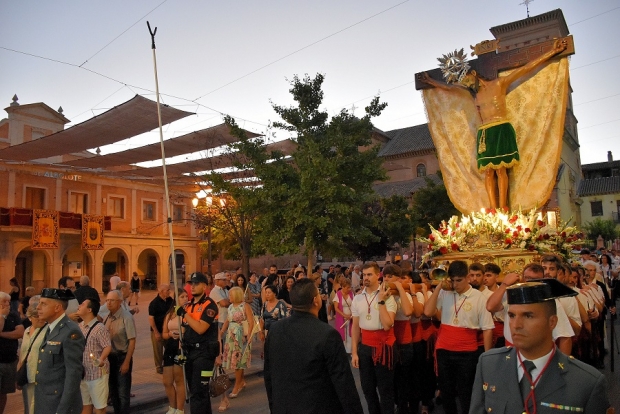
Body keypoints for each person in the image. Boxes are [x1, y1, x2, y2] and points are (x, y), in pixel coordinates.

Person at [420, 39, 568, 209]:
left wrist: (552, 52)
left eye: (466, 80)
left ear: (473, 74)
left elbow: (525, 68)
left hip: (500, 128)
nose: (466, 84)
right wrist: (431, 82)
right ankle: (492, 207)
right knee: (488, 172)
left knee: (501, 170)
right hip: (485, 134)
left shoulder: (499, 84)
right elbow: (449, 88)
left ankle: (503, 206)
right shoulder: (473, 94)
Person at [469, 279, 611, 413]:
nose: (516, 325)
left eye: (528, 316)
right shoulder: (489, 364)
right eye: (511, 315)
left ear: (552, 322)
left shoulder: (585, 381)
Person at [264, 278, 364, 414]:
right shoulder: (328, 335)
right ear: (316, 301)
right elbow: (343, 383)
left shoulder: (275, 330)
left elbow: (269, 375)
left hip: (284, 406)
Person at [423, 260, 494, 414]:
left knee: (465, 392)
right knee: (446, 392)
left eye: (459, 280)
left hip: (467, 352)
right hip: (444, 349)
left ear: (468, 277)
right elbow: (428, 312)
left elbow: (488, 328)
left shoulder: (479, 297)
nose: (455, 285)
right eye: (452, 280)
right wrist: (438, 289)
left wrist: (487, 357)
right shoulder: (445, 292)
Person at [351, 262, 398, 414]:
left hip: (384, 346)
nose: (366, 278)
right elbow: (355, 327)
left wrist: (381, 300)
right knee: (368, 390)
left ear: (378, 275)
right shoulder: (357, 299)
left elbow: (387, 325)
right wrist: (354, 352)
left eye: (370, 274)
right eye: (364, 275)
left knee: (385, 391)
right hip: (365, 347)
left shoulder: (388, 296)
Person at [34, 288, 85, 414]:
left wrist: (63, 410)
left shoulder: (70, 331)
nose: (38, 307)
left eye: (43, 304)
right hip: (45, 402)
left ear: (57, 308)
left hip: (58, 404)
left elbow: (73, 374)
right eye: (39, 303)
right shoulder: (50, 327)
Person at [176, 272, 220, 414]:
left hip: (205, 354)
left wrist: (185, 314)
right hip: (190, 353)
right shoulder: (188, 306)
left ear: (205, 286)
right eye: (191, 284)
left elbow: (201, 328)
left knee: (198, 392)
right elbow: (184, 329)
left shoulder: (210, 306)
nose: (192, 286)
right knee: (197, 391)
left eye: (196, 283)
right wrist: (180, 349)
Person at [104, 289, 137, 414]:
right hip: (110, 358)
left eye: (112, 300)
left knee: (123, 393)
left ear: (120, 302)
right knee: (113, 392)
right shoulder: (108, 316)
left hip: (122, 357)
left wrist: (127, 362)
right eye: (107, 300)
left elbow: (132, 341)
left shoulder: (126, 317)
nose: (109, 303)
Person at [77, 298, 112, 414]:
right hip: (84, 373)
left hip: (97, 373)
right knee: (85, 405)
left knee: (99, 407)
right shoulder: (80, 326)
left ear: (89, 309)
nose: (79, 306)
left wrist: (101, 359)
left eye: (82, 304)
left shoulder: (99, 328)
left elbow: (107, 346)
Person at [221, 286, 254, 401]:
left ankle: (237, 385)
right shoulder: (230, 306)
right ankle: (241, 381)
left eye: (230, 295)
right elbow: (227, 320)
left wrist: (249, 334)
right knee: (236, 360)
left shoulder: (245, 306)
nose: (229, 297)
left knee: (238, 361)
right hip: (231, 334)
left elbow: (251, 321)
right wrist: (221, 331)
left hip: (240, 335)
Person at [162, 289, 189, 414]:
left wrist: (182, 334)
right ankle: (172, 407)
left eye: (186, 296)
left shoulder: (187, 312)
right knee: (167, 381)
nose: (185, 298)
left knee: (179, 379)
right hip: (170, 346)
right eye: (182, 297)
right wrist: (169, 334)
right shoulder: (170, 313)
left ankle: (180, 408)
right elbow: (164, 333)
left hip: (181, 346)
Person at [17, 299, 45, 414]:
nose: (39, 318)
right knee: (28, 407)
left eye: (40, 315)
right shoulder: (27, 331)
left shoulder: (47, 331)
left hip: (39, 376)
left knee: (38, 408)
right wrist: (18, 374)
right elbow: (22, 354)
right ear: (29, 317)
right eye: (35, 316)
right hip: (26, 375)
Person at [0, 291, 25, 413]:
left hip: (9, 360)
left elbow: (19, 333)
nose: (7, 304)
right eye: (3, 302)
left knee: (4, 392)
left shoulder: (14, 315)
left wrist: (1, 334)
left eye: (8, 302)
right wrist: (2, 316)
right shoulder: (5, 315)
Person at [149, 284, 173, 375]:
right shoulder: (154, 303)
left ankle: (168, 363)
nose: (169, 292)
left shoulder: (170, 300)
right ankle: (159, 366)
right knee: (158, 350)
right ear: (161, 292)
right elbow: (151, 318)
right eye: (167, 290)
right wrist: (156, 332)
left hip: (167, 330)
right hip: (157, 330)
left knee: (169, 347)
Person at [333, 277, 354, 353]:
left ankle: (350, 350)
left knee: (350, 333)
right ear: (343, 287)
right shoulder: (338, 294)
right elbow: (336, 308)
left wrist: (352, 313)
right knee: (342, 333)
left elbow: (354, 304)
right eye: (348, 287)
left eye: (350, 287)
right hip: (341, 317)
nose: (349, 289)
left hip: (350, 316)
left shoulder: (351, 293)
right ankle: (343, 351)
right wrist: (344, 315)